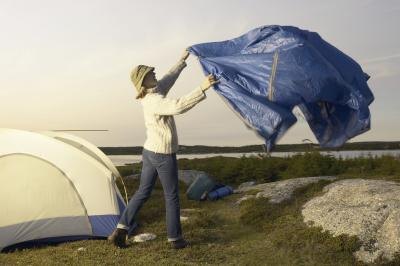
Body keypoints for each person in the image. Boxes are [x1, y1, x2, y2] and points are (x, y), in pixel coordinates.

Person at [108, 49, 218, 249]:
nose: (155, 74)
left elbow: (168, 78)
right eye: (150, 74)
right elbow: (177, 106)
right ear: (143, 82)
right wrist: (202, 88)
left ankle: (121, 229)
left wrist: (182, 60)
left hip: (149, 151)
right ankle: (175, 239)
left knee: (142, 191)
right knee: (172, 195)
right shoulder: (154, 100)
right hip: (162, 154)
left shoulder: (153, 93)